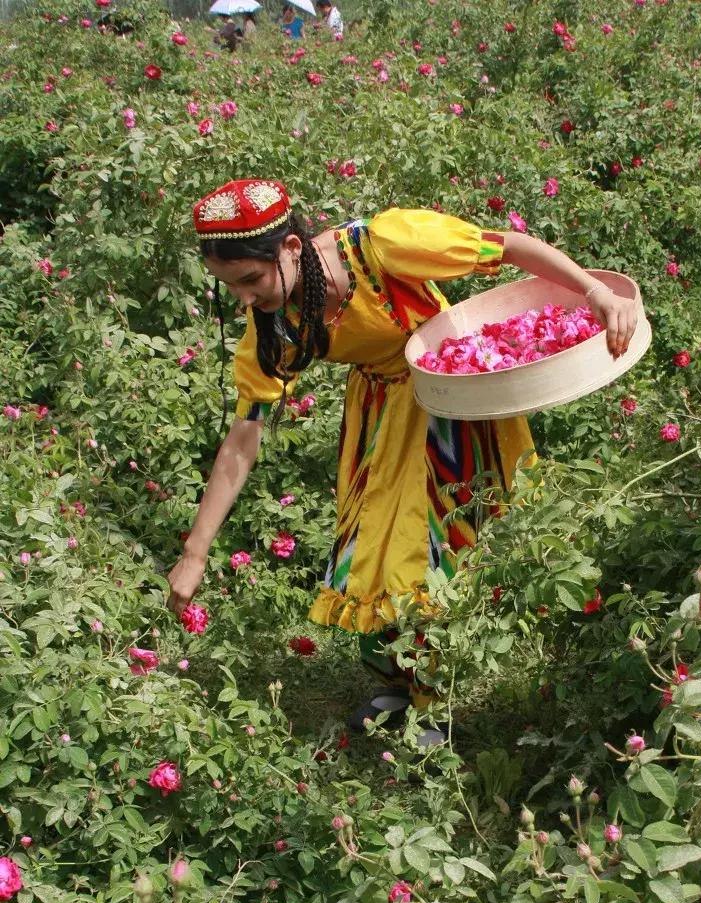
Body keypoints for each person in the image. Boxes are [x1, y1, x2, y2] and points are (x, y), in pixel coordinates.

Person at [168, 181, 637, 745]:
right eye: (231, 287)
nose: (245, 299)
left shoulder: (381, 245)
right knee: (363, 557)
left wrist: (594, 293)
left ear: (292, 247)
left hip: (451, 405)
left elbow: (506, 246)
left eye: (251, 280)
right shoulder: (274, 321)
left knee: (422, 561)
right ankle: (395, 686)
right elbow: (242, 440)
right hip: (378, 423)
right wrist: (194, 553)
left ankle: (433, 710)